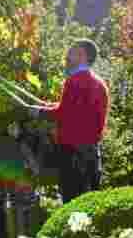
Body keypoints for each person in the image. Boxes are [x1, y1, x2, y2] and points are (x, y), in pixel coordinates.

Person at [37, 39, 109, 203]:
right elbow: (77, 110)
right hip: (92, 153)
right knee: (91, 202)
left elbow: (63, 113)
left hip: (72, 154)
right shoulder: (100, 84)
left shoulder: (74, 81)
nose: (67, 56)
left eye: (72, 52)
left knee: (72, 202)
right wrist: (48, 106)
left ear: (82, 55)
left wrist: (39, 112)